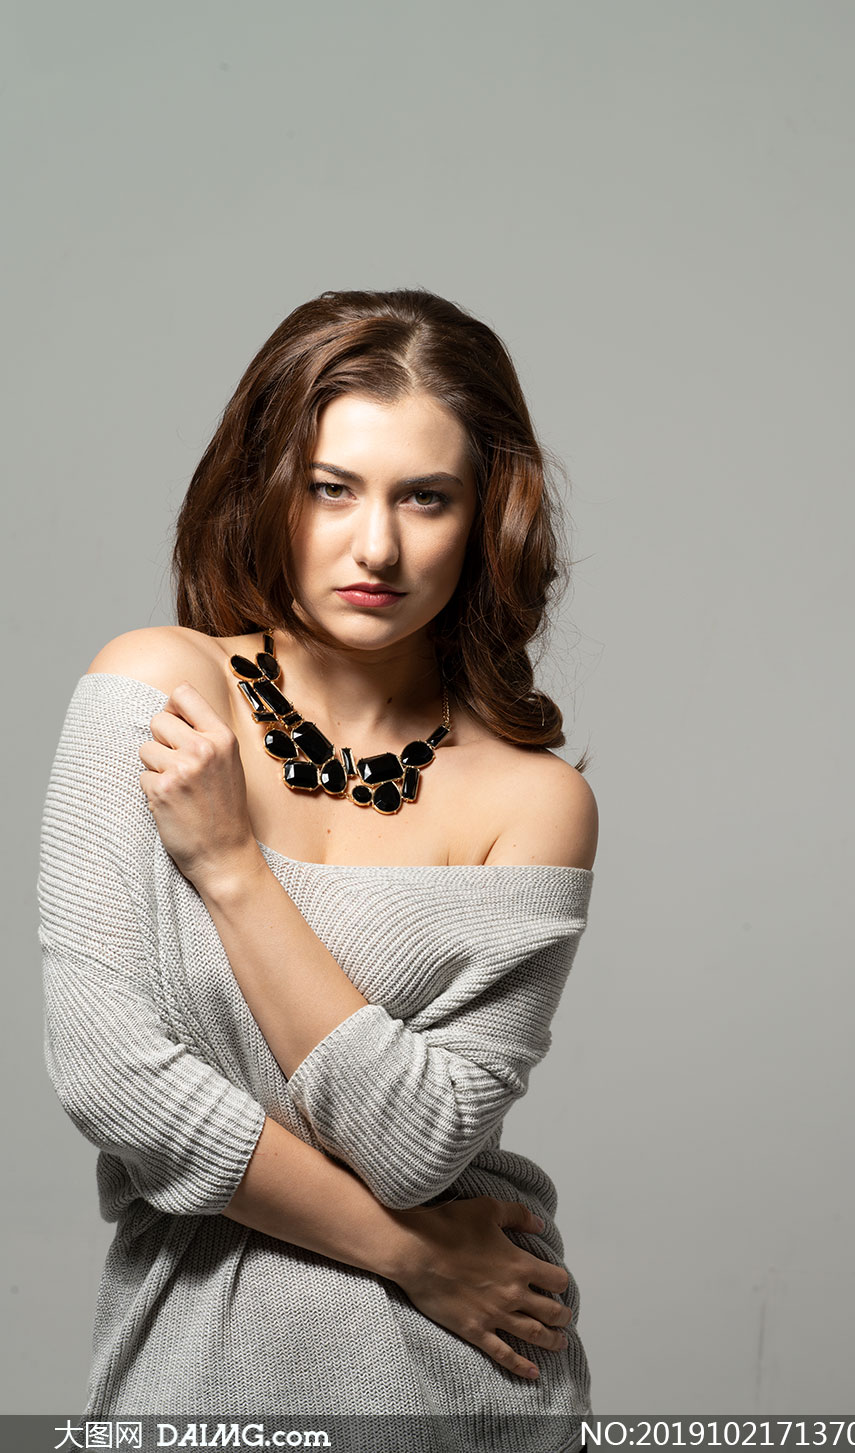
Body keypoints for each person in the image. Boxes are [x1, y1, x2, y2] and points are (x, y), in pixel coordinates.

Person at [38, 288, 597, 1452]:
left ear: (485, 517)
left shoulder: (536, 802)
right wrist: (408, 1253)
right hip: (209, 1364)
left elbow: (419, 1145)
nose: (376, 545)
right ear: (268, 492)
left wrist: (231, 869)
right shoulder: (157, 688)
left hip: (465, 1375)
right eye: (332, 487)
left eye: (425, 497)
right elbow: (111, 1076)